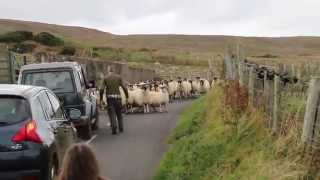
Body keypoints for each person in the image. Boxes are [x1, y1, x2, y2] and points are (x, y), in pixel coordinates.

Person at [101, 66, 129, 135]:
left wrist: (101, 98)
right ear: (114, 70)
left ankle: (114, 127)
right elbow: (124, 87)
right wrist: (127, 96)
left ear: (108, 70)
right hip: (118, 98)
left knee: (112, 113)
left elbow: (101, 89)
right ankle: (121, 128)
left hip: (110, 99)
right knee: (119, 113)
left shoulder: (105, 78)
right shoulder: (119, 77)